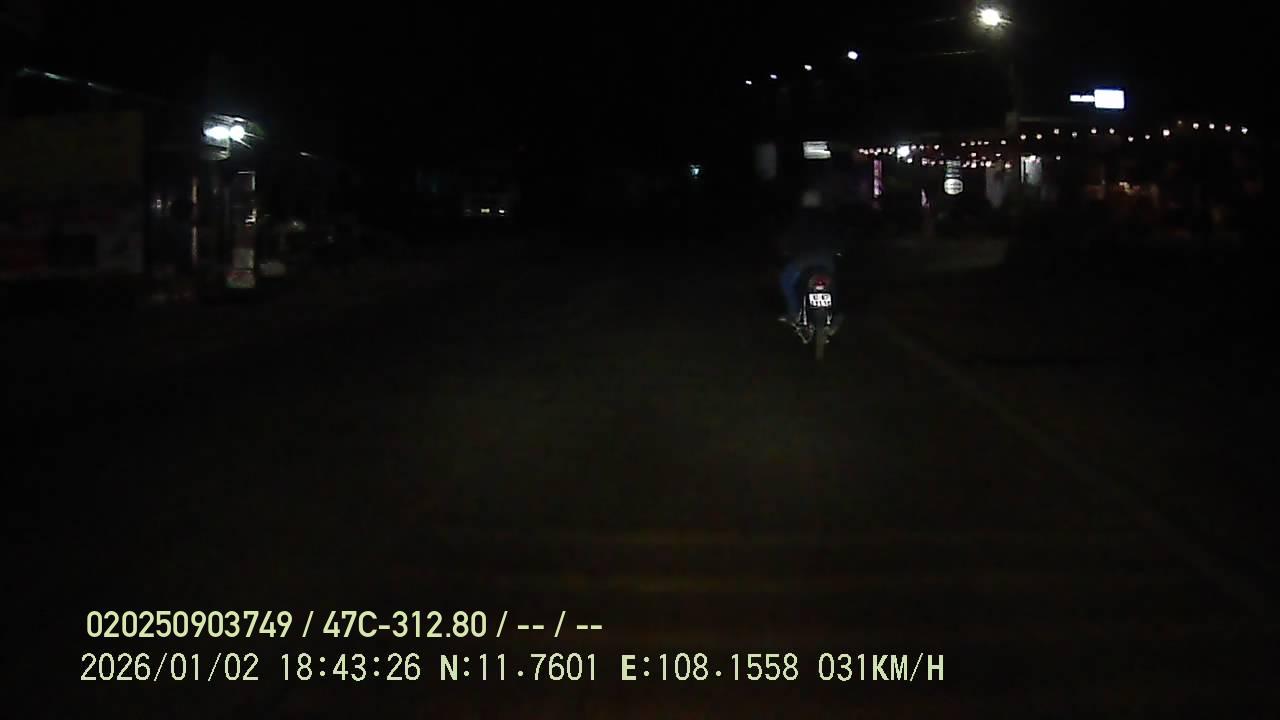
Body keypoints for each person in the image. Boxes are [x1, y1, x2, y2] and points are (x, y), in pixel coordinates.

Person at [776, 191, 848, 326]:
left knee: (786, 280)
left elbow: (787, 240)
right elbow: (839, 238)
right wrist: (838, 250)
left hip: (803, 261)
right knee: (835, 282)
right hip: (826, 261)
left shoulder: (799, 219)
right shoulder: (827, 219)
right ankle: (837, 312)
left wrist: (785, 249)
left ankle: (793, 312)